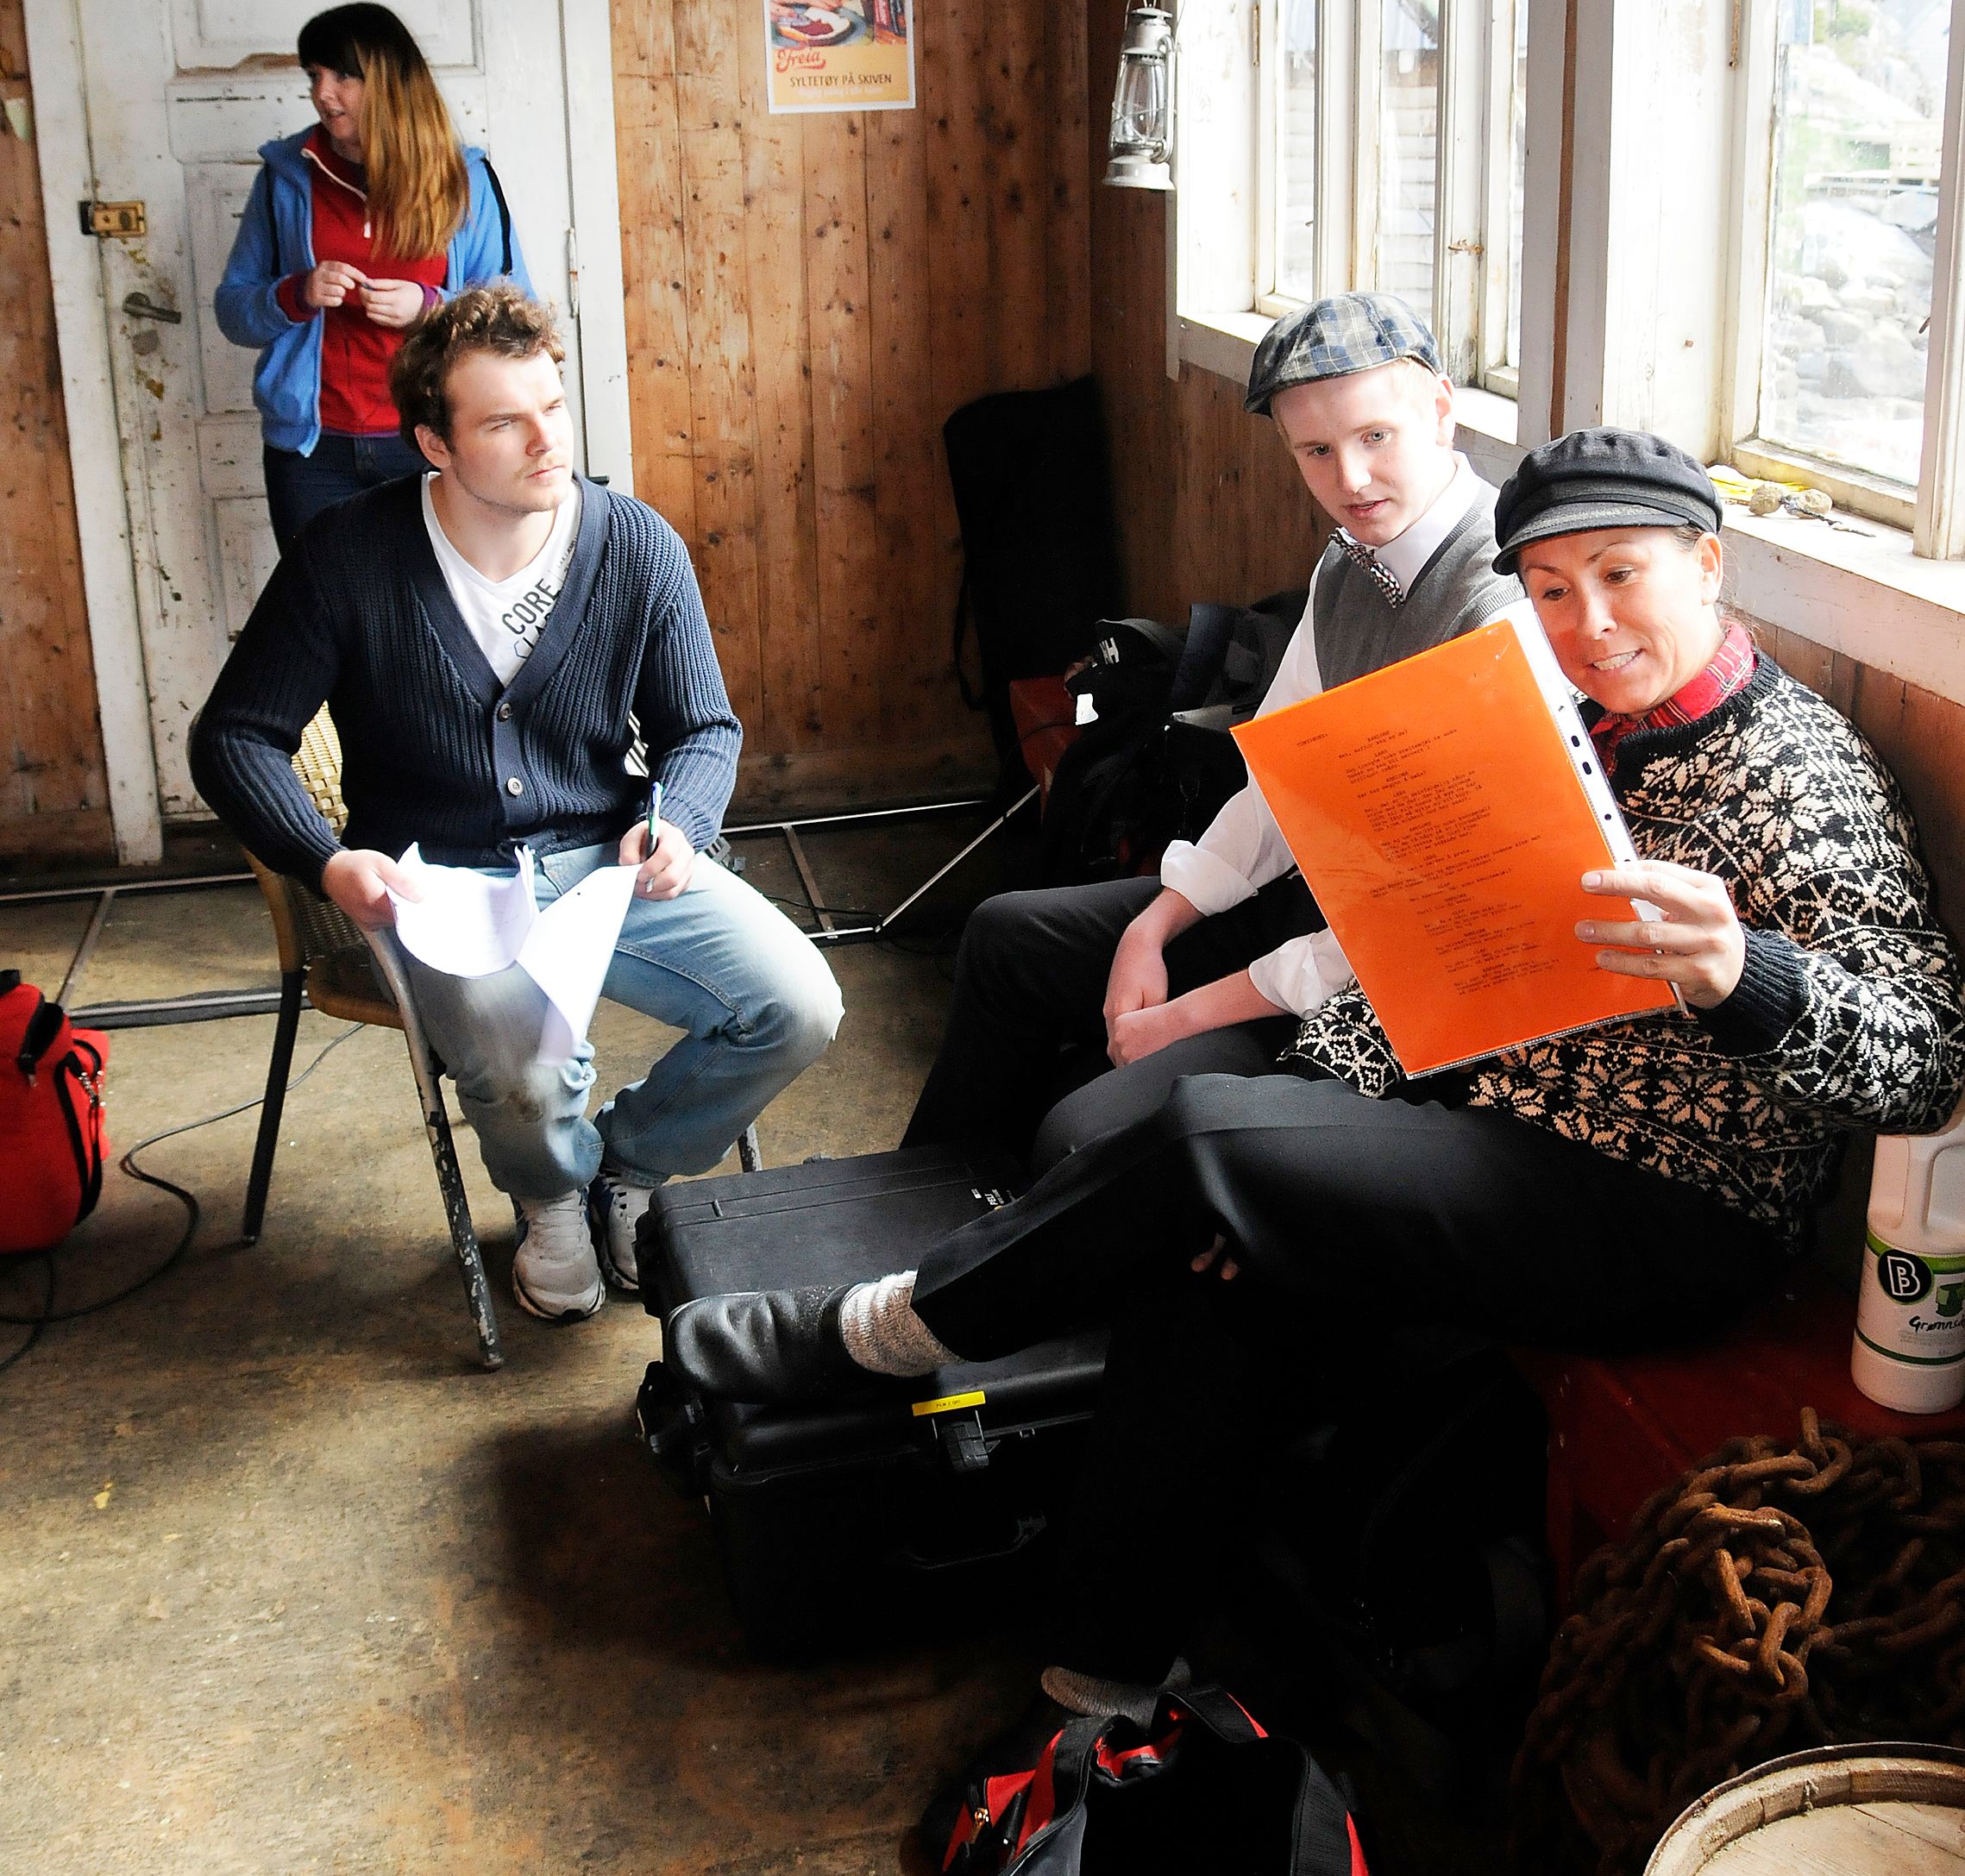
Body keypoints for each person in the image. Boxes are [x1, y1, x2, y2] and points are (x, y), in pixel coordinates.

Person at [665, 428, 1965, 1698]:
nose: (1590, 622)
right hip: (1492, 1125)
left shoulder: (1799, 774)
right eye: (1552, 590)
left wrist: (1744, 974)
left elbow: (1925, 1061)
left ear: (1706, 562)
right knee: (1209, 1261)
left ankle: (887, 1330)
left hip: (1668, 1203)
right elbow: (1421, 960)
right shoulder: (1555, 726)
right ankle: (1102, 1674)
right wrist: (1301, 1130)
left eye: (1621, 574)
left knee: (1204, 1134)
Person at [189, 285, 843, 1326]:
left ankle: (626, 1165)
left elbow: (702, 728)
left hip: (610, 864)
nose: (547, 441)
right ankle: (550, 1201)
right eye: (503, 421)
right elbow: (234, 736)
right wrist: (325, 859)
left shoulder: (634, 544)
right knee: (529, 1064)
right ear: (434, 444)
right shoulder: (347, 554)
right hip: (440, 883)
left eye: (553, 405)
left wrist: (682, 822)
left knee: (798, 1005)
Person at [904, 290, 1517, 1170]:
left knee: (1083, 1126)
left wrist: (1185, 1013)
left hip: (1387, 987)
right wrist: (1153, 925)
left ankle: (1002, 1231)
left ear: (1441, 410)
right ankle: (910, 1210)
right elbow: (1283, 782)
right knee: (1007, 936)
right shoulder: (1349, 560)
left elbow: (1411, 930)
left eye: (1375, 436)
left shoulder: (1499, 607)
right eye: (1316, 450)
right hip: (1312, 908)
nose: (1350, 479)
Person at [216, 2, 533, 553]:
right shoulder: (287, 176)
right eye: (314, 75)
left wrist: (429, 308)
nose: (323, 94)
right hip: (313, 453)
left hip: (435, 441)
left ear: (389, 80)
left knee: (436, 600)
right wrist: (296, 293)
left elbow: (516, 318)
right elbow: (233, 311)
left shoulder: (464, 177)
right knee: (323, 603)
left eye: (344, 75)